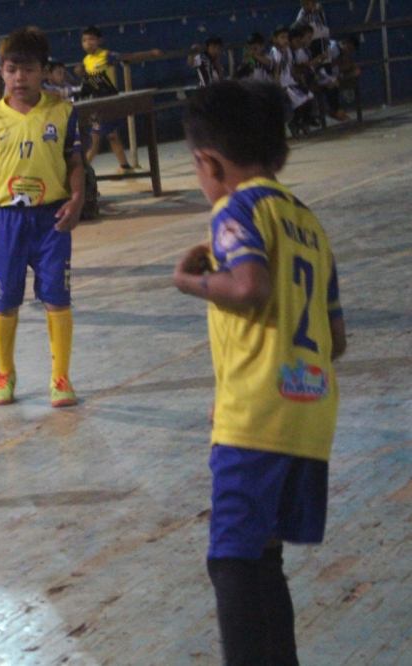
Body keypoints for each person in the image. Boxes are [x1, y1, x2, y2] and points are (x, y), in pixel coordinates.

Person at [172, 80, 346, 666]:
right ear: (282, 155)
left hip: (256, 414)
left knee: (232, 560)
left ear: (209, 162)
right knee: (263, 557)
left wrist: (192, 282)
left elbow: (248, 285)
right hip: (311, 412)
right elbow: (336, 337)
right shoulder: (309, 224)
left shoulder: (235, 209)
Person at [0, 27, 85, 407]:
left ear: (44, 70)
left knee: (57, 297)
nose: (19, 78)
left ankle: (61, 378)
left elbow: (75, 163)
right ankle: (4, 373)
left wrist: (77, 197)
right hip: (6, 221)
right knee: (3, 299)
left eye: (27, 70)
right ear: (2, 72)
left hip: (51, 219)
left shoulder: (62, 111)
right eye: (11, 70)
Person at [74, 25, 161, 173]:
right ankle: (124, 166)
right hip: (96, 104)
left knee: (99, 140)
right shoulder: (86, 60)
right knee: (107, 137)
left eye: (91, 39)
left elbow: (128, 57)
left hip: (109, 102)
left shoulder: (107, 55)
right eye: (84, 40)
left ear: (99, 40)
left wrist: (150, 53)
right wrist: (81, 73)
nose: (87, 43)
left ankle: (82, 172)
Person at [271, 25, 314, 138]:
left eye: (286, 38)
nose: (285, 40)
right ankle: (293, 123)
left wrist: (298, 77)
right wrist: (278, 88)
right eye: (282, 37)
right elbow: (276, 72)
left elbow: (291, 69)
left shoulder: (288, 51)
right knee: (300, 101)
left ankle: (303, 122)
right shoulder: (275, 53)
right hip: (284, 85)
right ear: (275, 39)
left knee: (309, 97)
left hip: (291, 82)